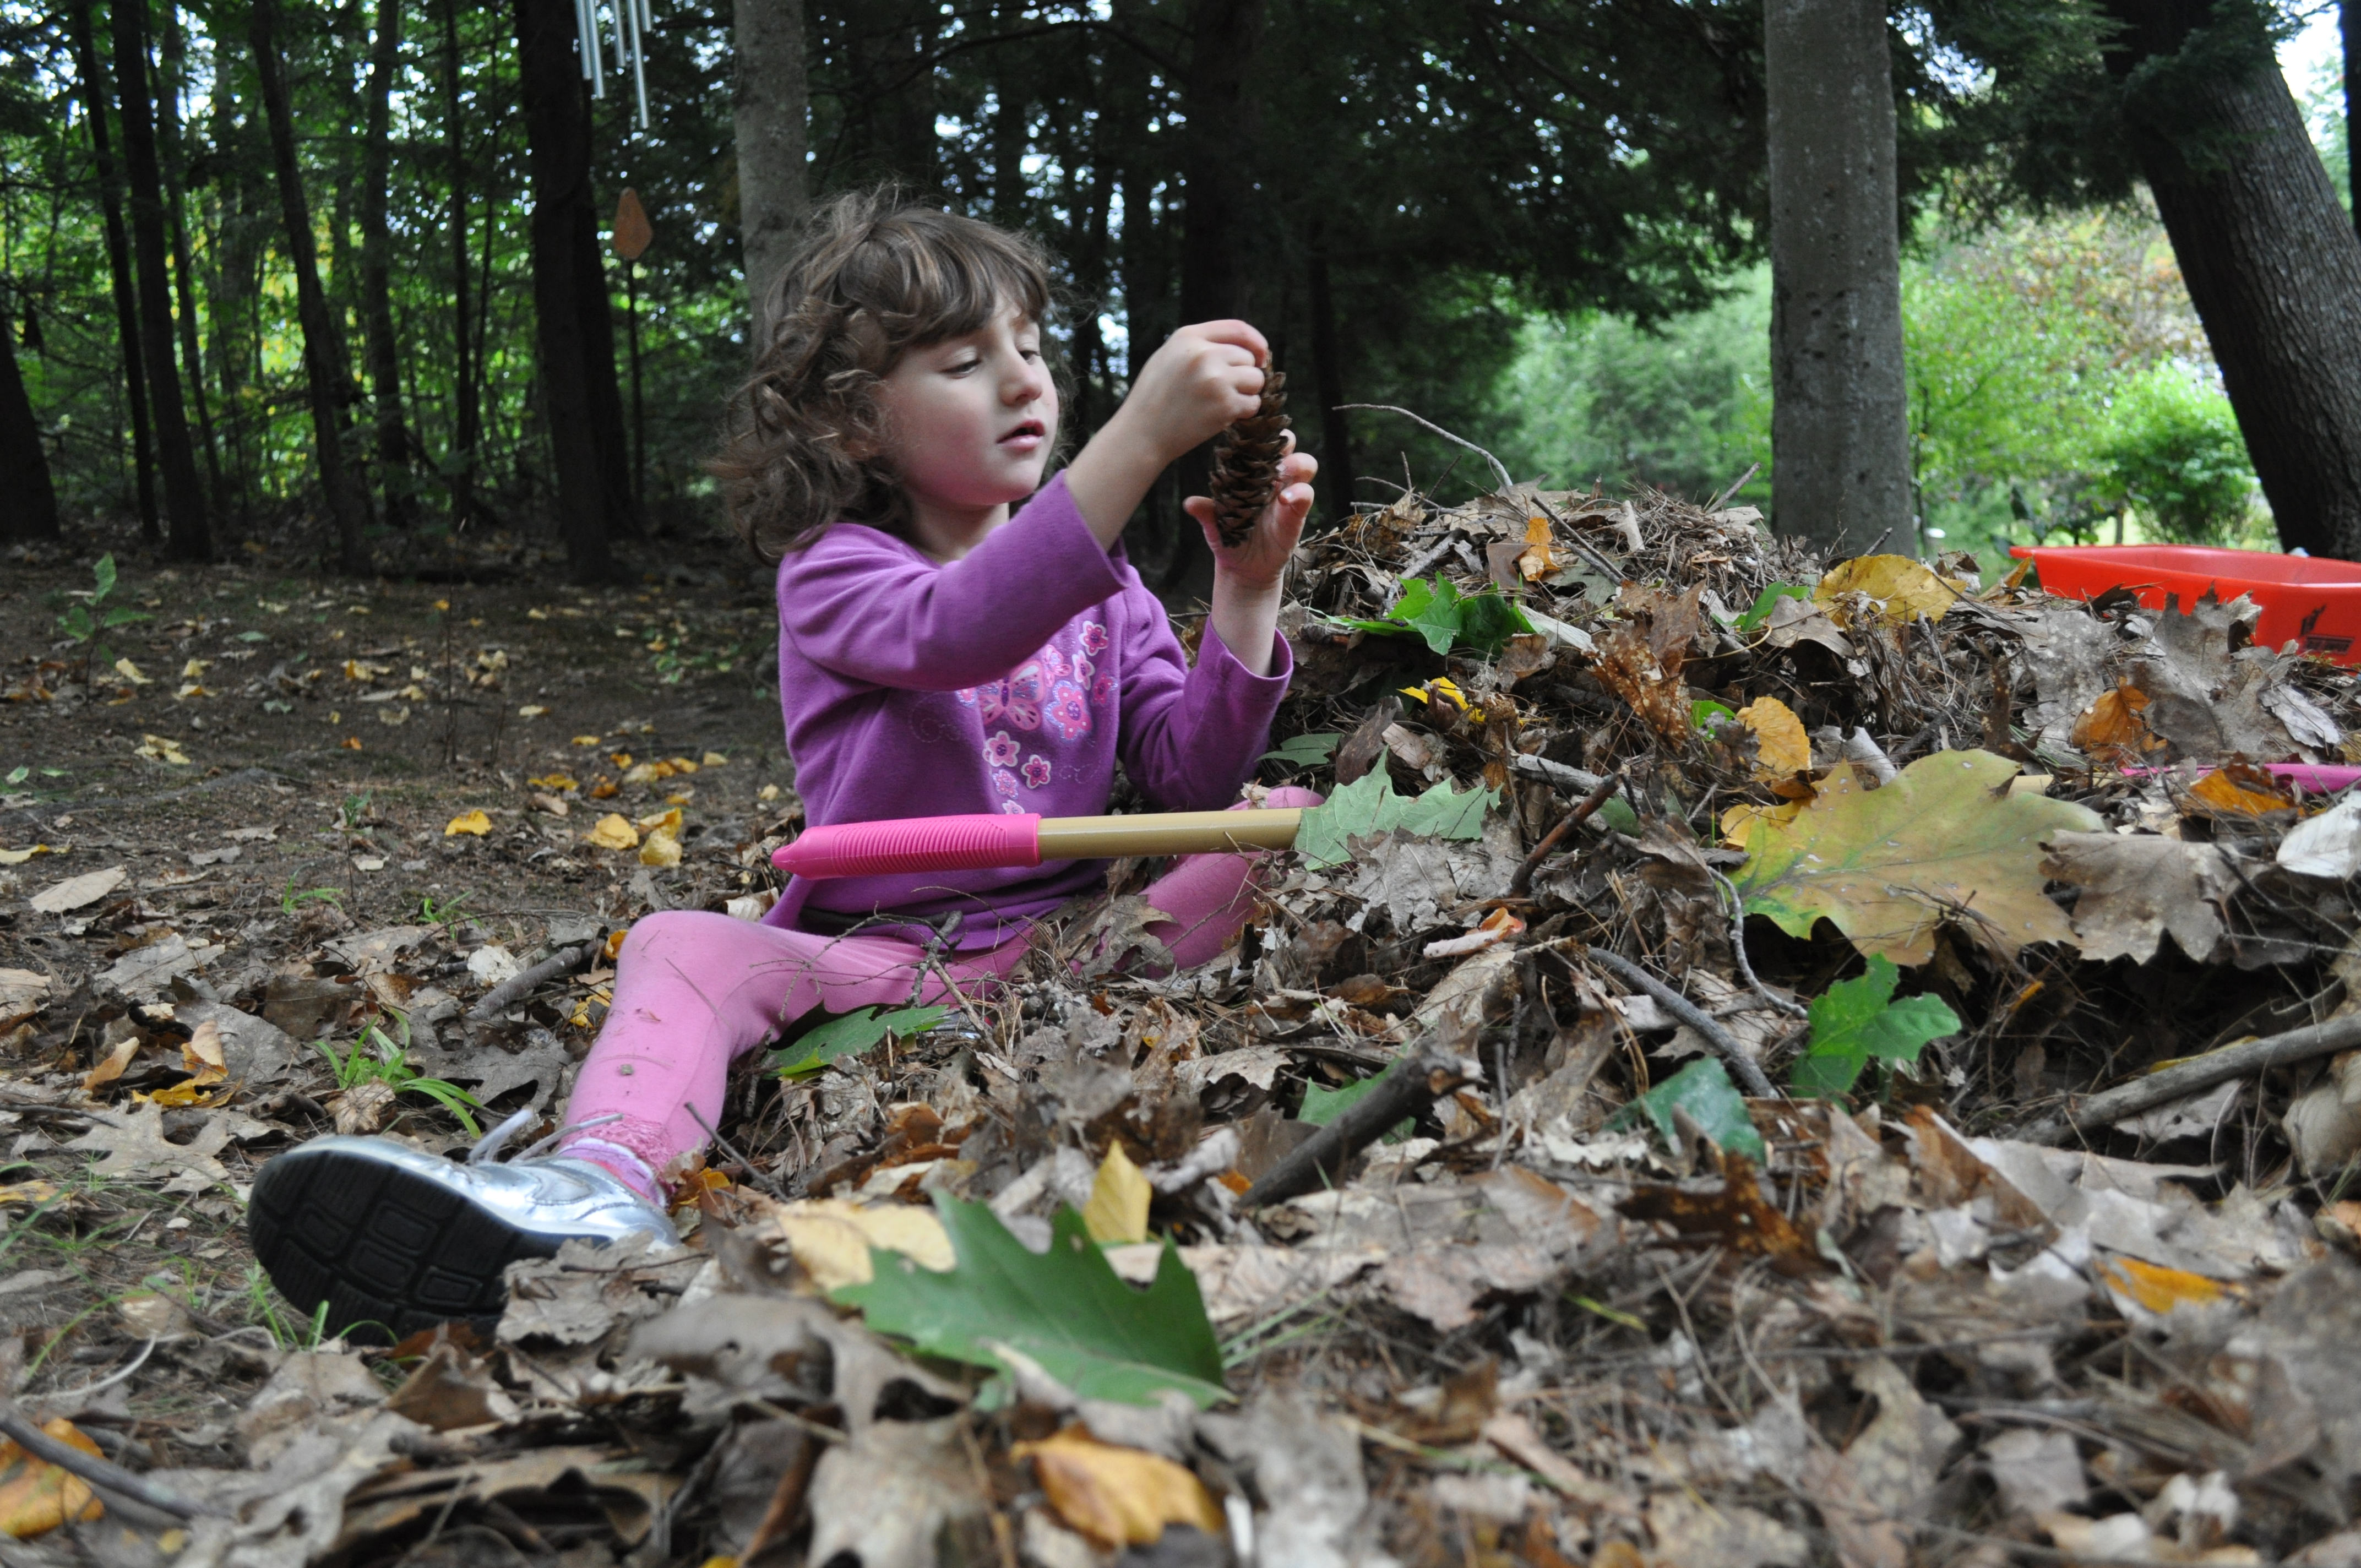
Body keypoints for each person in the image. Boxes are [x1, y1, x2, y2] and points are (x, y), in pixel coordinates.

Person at [247, 192, 1318, 1341]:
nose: (1022, 382)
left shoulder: (1107, 596)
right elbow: (960, 627)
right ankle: (600, 1185)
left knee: (1278, 819)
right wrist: (1138, 442)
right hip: (883, 960)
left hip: (1069, 952)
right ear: (857, 424)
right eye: (964, 361)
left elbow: (1185, 777)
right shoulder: (834, 571)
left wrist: (1245, 593)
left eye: (1032, 348)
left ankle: (1064, 1026)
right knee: (682, 942)